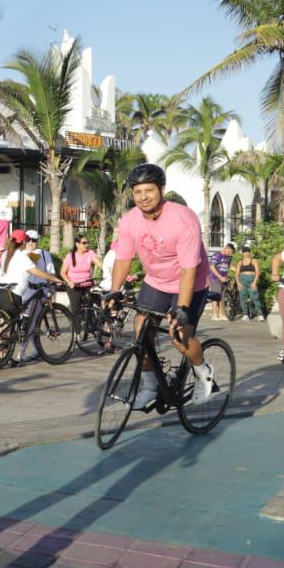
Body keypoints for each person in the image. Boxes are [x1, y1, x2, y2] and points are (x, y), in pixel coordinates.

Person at [105, 163, 216, 407]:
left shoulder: (182, 219)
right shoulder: (130, 220)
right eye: (137, 192)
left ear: (161, 189)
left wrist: (183, 309)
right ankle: (151, 386)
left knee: (179, 337)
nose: (143, 197)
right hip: (155, 282)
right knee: (141, 335)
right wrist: (115, 289)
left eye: (149, 191)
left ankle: (202, 371)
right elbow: (123, 258)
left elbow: (189, 270)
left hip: (190, 283)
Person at [9, 230, 66, 362]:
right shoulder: (22, 254)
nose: (30, 243)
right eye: (28, 240)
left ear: (37, 241)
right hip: (24, 291)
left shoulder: (45, 254)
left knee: (32, 323)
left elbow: (50, 272)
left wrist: (52, 290)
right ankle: (30, 350)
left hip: (39, 292)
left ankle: (23, 352)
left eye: (33, 240)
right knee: (27, 323)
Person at [61, 234, 100, 317]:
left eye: (87, 243)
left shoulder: (90, 253)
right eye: (84, 243)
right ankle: (76, 329)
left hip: (88, 284)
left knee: (90, 308)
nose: (87, 245)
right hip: (74, 285)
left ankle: (90, 328)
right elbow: (63, 272)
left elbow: (100, 264)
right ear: (77, 244)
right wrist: (69, 282)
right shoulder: (70, 256)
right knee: (75, 309)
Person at [232, 245, 262, 320]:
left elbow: (257, 272)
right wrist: (238, 283)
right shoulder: (240, 262)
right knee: (243, 297)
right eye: (244, 252)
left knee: (255, 297)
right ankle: (245, 315)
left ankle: (260, 315)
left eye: (247, 252)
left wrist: (254, 282)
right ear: (242, 253)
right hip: (242, 280)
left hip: (252, 280)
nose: (246, 253)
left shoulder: (254, 260)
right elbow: (236, 274)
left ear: (249, 253)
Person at [208, 243, 235, 321]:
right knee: (216, 296)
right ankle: (214, 315)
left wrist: (238, 271)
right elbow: (212, 267)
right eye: (229, 252)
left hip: (224, 278)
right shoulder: (217, 255)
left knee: (222, 297)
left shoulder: (228, 257)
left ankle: (221, 314)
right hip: (215, 278)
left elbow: (229, 266)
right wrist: (220, 277)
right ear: (226, 248)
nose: (230, 254)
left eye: (231, 253)